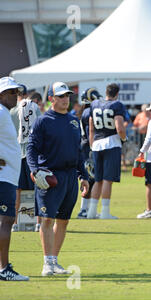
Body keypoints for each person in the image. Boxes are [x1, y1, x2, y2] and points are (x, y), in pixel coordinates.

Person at [27, 81, 89, 276]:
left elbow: (77, 152)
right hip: (50, 176)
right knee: (47, 219)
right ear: (51, 98)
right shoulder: (43, 121)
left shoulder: (73, 121)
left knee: (63, 221)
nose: (65, 99)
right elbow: (31, 148)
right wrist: (35, 170)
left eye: (67, 95)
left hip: (70, 176)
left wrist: (83, 176)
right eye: (61, 96)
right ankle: (47, 264)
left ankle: (54, 262)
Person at [0, 77, 29, 281]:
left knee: (6, 220)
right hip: (3, 176)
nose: (15, 96)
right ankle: (4, 269)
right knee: (6, 219)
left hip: (7, 175)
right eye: (11, 92)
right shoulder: (1, 112)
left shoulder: (4, 113)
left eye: (16, 92)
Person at [86, 83, 127, 219]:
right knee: (107, 180)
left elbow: (91, 127)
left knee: (98, 180)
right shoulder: (117, 105)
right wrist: (124, 138)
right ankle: (104, 212)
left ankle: (91, 212)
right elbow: (119, 128)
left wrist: (92, 145)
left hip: (97, 144)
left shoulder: (95, 104)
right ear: (117, 93)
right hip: (111, 143)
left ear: (106, 92)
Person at [9, 84, 42, 232]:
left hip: (17, 152)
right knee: (38, 187)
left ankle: (15, 223)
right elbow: (42, 127)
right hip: (33, 152)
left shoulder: (10, 110)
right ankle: (38, 223)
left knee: (17, 190)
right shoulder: (33, 107)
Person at [76, 87, 102, 219]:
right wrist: (93, 147)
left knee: (89, 179)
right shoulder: (89, 112)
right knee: (90, 179)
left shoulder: (84, 112)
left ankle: (85, 209)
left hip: (84, 147)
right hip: (88, 148)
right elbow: (89, 132)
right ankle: (84, 210)